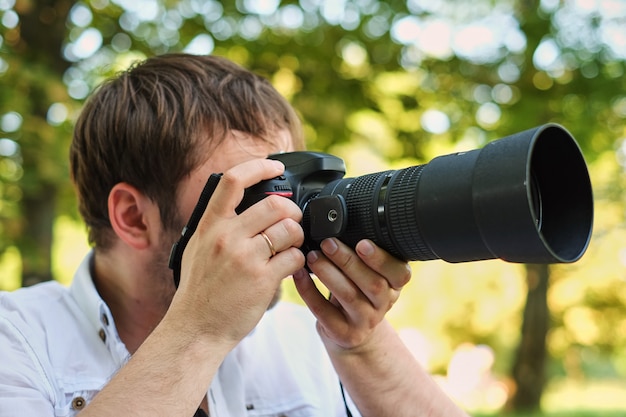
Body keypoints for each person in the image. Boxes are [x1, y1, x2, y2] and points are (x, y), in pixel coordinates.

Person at [0, 53, 469, 417]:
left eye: (292, 187)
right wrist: (198, 331)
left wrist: (363, 344)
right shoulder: (16, 338)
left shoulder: (305, 338)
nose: (286, 219)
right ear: (133, 217)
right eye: (254, 190)